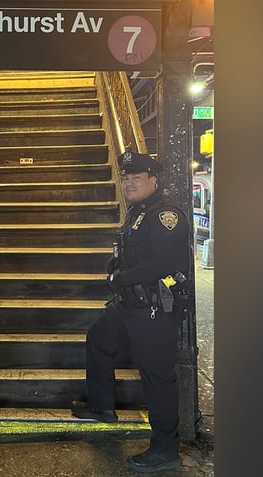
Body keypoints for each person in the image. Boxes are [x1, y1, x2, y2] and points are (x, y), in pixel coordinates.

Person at [70, 151, 191, 473]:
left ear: (154, 180)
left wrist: (120, 278)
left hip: (154, 309)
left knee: (157, 378)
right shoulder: (139, 212)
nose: (128, 183)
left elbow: (161, 264)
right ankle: (101, 407)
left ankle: (165, 449)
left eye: (136, 177)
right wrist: (118, 268)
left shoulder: (166, 215)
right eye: (125, 178)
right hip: (129, 304)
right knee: (99, 338)